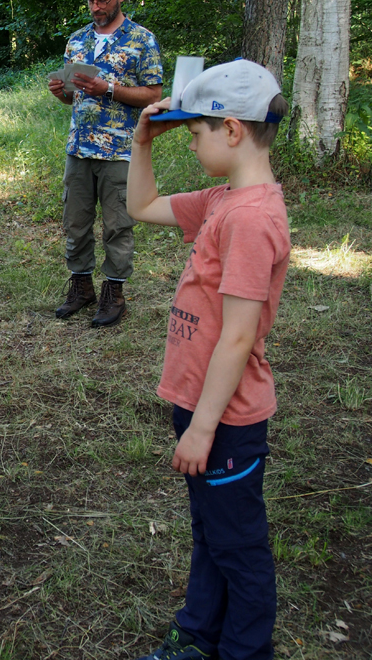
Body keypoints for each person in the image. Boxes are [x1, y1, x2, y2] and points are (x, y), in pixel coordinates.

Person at [126, 60, 289, 660]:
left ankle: (245, 651)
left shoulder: (249, 218)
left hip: (225, 420)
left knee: (237, 544)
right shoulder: (225, 199)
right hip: (200, 408)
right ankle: (198, 633)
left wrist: (201, 428)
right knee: (211, 533)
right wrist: (141, 142)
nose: (191, 142)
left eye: (195, 133)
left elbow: (239, 337)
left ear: (232, 129)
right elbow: (142, 206)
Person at [48, 0, 163, 327]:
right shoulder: (78, 40)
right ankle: (81, 287)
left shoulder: (141, 40)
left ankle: (115, 292)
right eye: (90, 1)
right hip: (78, 148)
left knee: (117, 224)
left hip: (119, 150)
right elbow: (73, 99)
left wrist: (109, 88)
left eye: (103, 0)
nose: (96, 7)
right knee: (75, 222)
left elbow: (154, 94)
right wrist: (61, 93)